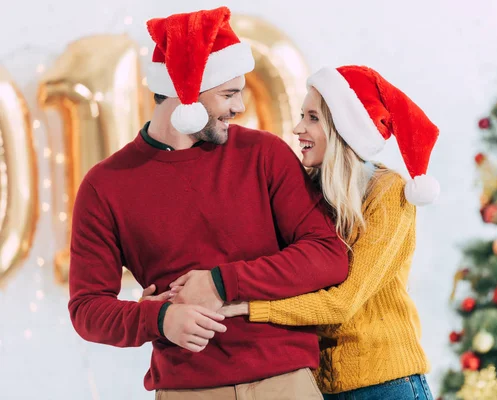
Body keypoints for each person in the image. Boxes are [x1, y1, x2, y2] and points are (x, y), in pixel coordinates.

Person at [68, 7, 348, 400]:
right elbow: (87, 309)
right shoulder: (105, 186)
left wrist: (221, 282)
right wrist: (160, 319)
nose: (239, 107)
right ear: (185, 93)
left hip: (285, 383)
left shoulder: (264, 154)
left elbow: (328, 255)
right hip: (188, 390)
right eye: (228, 94)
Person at [211, 65, 440, 399]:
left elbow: (341, 305)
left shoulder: (389, 192)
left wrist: (249, 307)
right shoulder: (309, 192)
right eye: (302, 116)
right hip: (321, 386)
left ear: (343, 129)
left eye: (313, 118)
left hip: (388, 385)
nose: (298, 128)